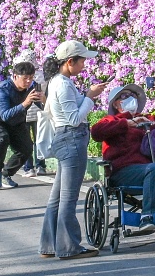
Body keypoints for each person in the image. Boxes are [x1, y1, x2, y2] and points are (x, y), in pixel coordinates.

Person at [91, 79, 155, 235]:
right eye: (124, 96)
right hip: (124, 172)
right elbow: (96, 132)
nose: (130, 98)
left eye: (132, 95)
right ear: (116, 104)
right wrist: (127, 123)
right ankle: (147, 216)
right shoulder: (111, 121)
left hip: (152, 170)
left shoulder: (146, 119)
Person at [39, 40, 109, 260]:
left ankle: (50, 245)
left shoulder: (56, 81)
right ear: (70, 62)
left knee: (57, 197)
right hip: (72, 139)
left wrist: (87, 95)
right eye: (82, 61)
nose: (84, 65)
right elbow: (74, 118)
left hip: (64, 139)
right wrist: (89, 97)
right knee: (68, 198)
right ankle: (69, 247)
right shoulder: (63, 84)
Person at [0, 60, 44, 190]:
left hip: (18, 121)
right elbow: (5, 115)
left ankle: (7, 173)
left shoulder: (33, 86)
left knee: (26, 148)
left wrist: (43, 99)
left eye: (31, 77)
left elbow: (43, 106)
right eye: (25, 78)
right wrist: (25, 103)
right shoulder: (2, 89)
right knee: (2, 139)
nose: (28, 81)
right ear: (15, 76)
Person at [13, 51, 48, 177]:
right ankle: (41, 166)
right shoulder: (41, 75)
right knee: (40, 139)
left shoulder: (22, 76)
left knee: (26, 142)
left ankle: (29, 168)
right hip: (39, 112)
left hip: (25, 112)